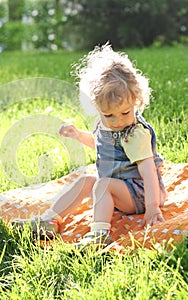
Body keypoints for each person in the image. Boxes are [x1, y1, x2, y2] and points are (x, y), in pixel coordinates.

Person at [12, 43, 167, 248]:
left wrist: (153, 207)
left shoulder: (134, 133)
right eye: (109, 115)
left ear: (136, 101)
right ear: (96, 107)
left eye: (125, 112)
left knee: (102, 185)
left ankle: (99, 235)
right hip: (120, 188)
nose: (118, 120)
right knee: (86, 181)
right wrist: (78, 135)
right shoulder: (104, 125)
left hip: (141, 192)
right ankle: (49, 221)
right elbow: (101, 146)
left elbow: (148, 172)